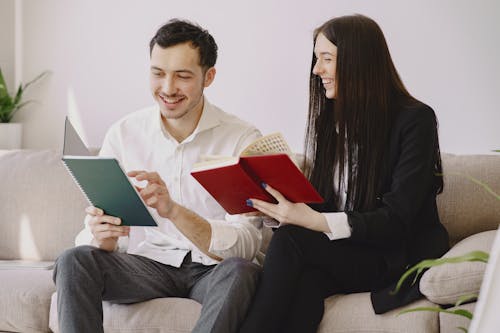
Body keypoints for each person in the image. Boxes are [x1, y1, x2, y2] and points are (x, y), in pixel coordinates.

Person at [240, 14, 450, 333]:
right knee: (305, 286)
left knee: (291, 242)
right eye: (316, 59)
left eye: (326, 59)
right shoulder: (331, 123)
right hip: (348, 253)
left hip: (393, 256)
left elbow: (397, 219)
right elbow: (327, 204)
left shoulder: (414, 121)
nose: (316, 70)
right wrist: (283, 209)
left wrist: (309, 221)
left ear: (359, 62)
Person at [53, 19, 264, 333]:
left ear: (209, 77)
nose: (167, 88)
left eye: (182, 76)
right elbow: (98, 232)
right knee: (73, 260)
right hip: (146, 266)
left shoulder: (242, 140)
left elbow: (247, 243)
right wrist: (102, 238)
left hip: (212, 269)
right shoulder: (124, 134)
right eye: (158, 73)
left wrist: (173, 211)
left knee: (242, 271)